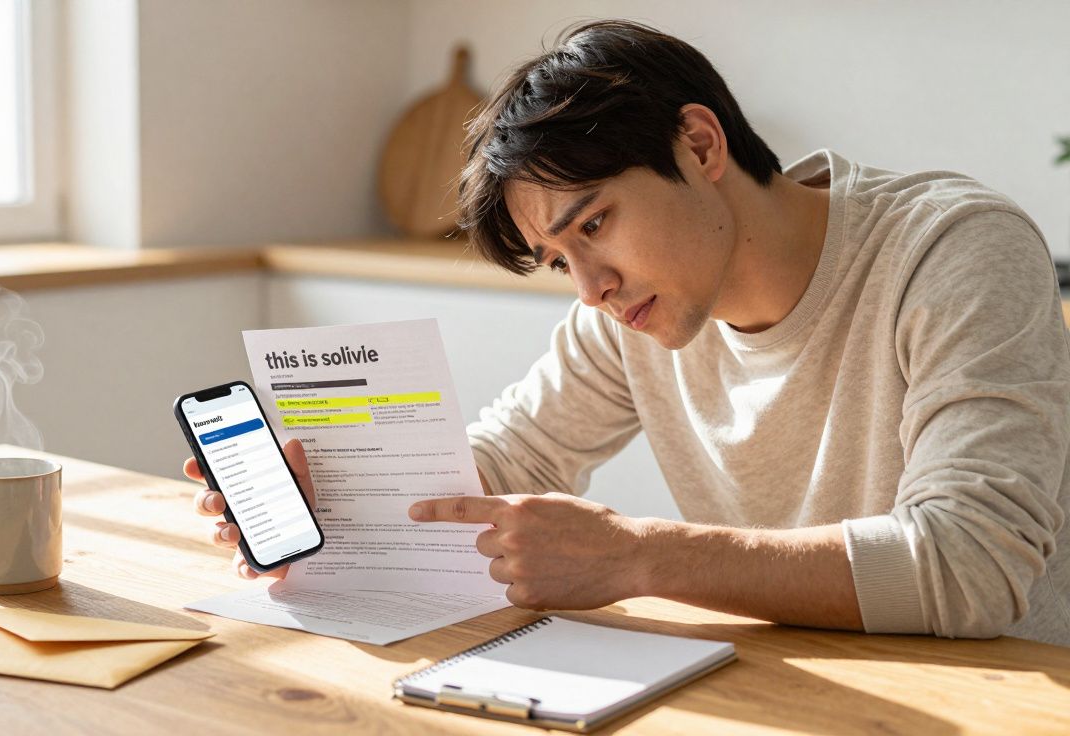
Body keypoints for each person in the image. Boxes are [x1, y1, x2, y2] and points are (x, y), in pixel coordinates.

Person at [188, 20, 1070, 646]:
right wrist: (333, 501)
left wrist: (641, 556)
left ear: (698, 143)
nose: (592, 288)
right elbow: (505, 464)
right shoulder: (627, 313)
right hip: (788, 683)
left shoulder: (956, 252)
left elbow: (971, 565)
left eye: (596, 224)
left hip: (1001, 693)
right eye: (559, 259)